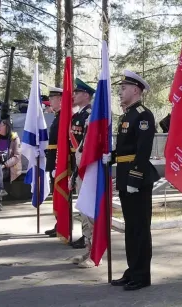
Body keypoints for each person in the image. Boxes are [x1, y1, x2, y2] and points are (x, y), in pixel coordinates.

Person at [107, 70, 160, 291]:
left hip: (136, 179)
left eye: (124, 88)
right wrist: (111, 157)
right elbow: (125, 149)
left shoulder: (143, 115)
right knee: (131, 228)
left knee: (139, 228)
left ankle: (142, 275)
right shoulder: (126, 116)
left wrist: (135, 178)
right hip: (125, 175)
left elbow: (143, 150)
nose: (120, 92)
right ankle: (132, 270)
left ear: (136, 90)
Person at [68, 78, 97, 269]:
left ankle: (95, 253)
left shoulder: (91, 116)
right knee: (83, 211)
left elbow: (88, 146)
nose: (74, 96)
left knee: (90, 212)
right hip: (78, 168)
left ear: (86, 95)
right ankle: (88, 249)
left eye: (77, 93)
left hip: (88, 170)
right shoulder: (78, 115)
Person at [44, 86, 63, 237]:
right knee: (56, 195)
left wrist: (57, 161)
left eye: (52, 98)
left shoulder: (64, 117)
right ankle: (60, 224)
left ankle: (63, 225)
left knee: (61, 195)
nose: (49, 101)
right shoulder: (58, 116)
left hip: (60, 161)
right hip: (54, 160)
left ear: (61, 99)